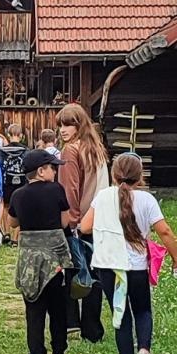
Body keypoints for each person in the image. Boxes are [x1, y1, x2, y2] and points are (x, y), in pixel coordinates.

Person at [80, 153, 177, 354]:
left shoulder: (103, 196)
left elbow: (85, 226)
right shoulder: (147, 200)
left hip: (108, 267)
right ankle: (144, 351)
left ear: (114, 175)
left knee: (121, 317)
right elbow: (165, 231)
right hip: (136, 267)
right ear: (140, 177)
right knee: (143, 310)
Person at [7, 148, 72, 354]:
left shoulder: (18, 195)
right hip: (55, 260)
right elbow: (65, 221)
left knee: (34, 312)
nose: (55, 172)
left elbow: (12, 222)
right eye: (52, 168)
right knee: (58, 309)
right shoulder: (56, 190)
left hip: (30, 262)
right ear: (41, 171)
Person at [57, 102, 110, 340]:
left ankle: (72, 323)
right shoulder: (96, 148)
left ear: (79, 126)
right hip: (99, 218)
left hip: (78, 220)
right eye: (60, 125)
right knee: (94, 273)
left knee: (72, 272)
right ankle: (93, 328)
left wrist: (71, 220)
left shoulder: (70, 150)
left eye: (68, 124)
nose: (63, 129)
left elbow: (69, 189)